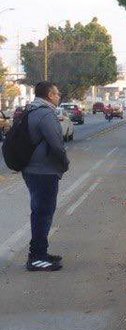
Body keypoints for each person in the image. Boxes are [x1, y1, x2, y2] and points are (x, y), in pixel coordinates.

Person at [22, 82, 69, 271]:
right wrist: (64, 163)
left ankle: (41, 252)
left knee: (41, 212)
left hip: (33, 169)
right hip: (43, 171)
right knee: (43, 213)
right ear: (50, 95)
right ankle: (36, 258)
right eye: (57, 93)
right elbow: (57, 143)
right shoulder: (45, 114)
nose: (59, 96)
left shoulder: (31, 110)